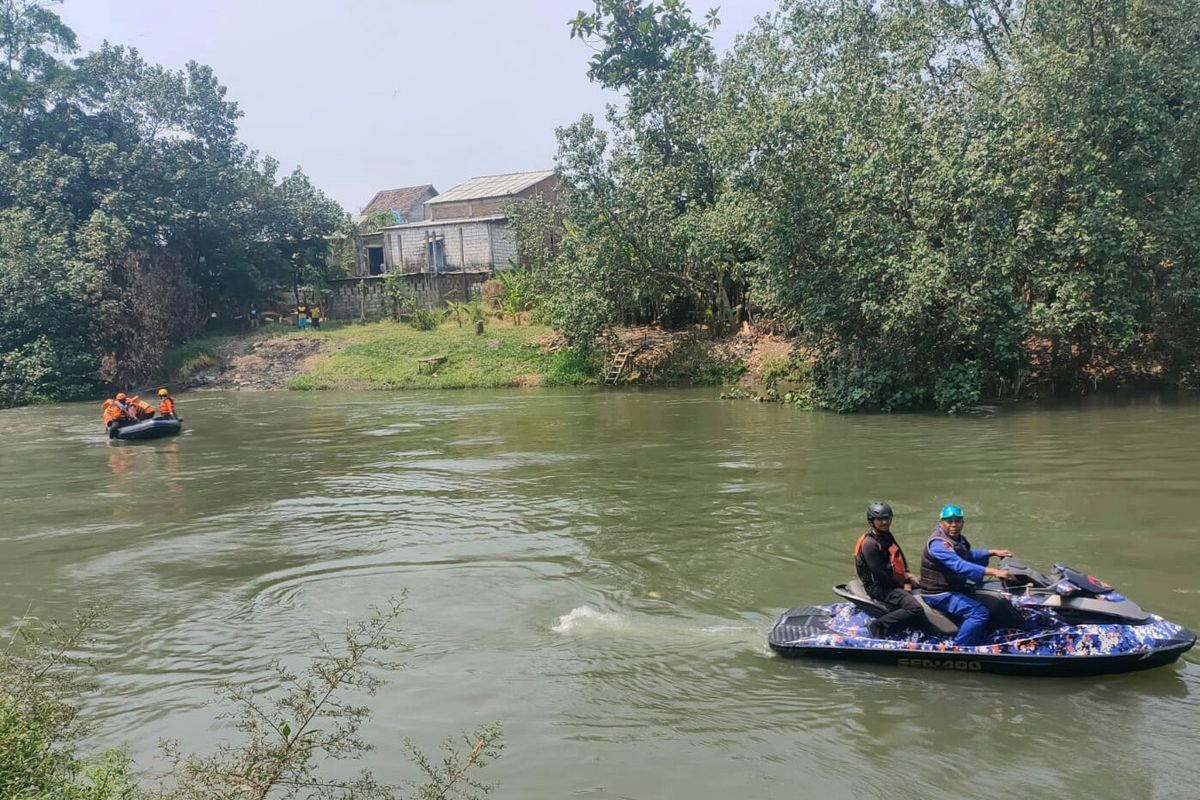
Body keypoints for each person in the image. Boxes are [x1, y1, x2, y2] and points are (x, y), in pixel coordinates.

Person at [918, 505, 1013, 646]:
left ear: (962, 522)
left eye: (957, 521)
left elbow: (966, 555)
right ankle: (960, 648)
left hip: (953, 587)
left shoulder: (956, 539)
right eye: (949, 521)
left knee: (990, 593)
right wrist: (994, 571)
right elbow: (960, 565)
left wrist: (991, 552)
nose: (954, 525)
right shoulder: (938, 544)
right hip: (938, 593)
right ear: (941, 523)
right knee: (979, 613)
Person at [853, 501, 924, 638]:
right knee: (915, 609)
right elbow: (879, 575)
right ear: (872, 521)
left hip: (890, 581)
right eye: (880, 519)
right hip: (879, 587)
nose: (885, 522)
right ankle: (879, 625)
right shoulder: (870, 544)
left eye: (887, 518)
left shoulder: (886, 536)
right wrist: (904, 584)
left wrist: (908, 576)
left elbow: (899, 558)